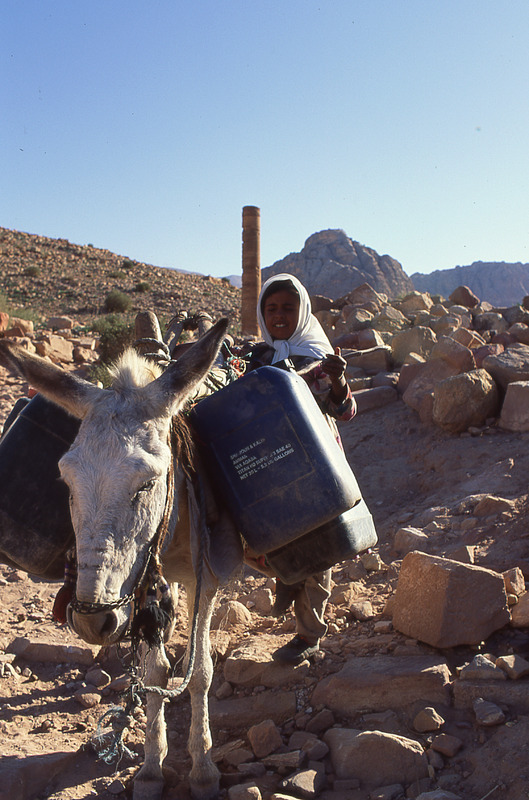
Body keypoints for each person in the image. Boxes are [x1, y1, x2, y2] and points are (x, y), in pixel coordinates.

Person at [241, 273, 357, 665]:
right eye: (271, 308)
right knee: (262, 538)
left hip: (314, 464)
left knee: (319, 544)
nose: (279, 315)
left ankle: (309, 634)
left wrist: (338, 381)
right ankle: (287, 578)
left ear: (302, 311)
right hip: (270, 466)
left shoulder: (318, 357)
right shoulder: (257, 358)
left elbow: (346, 411)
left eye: (287, 308)